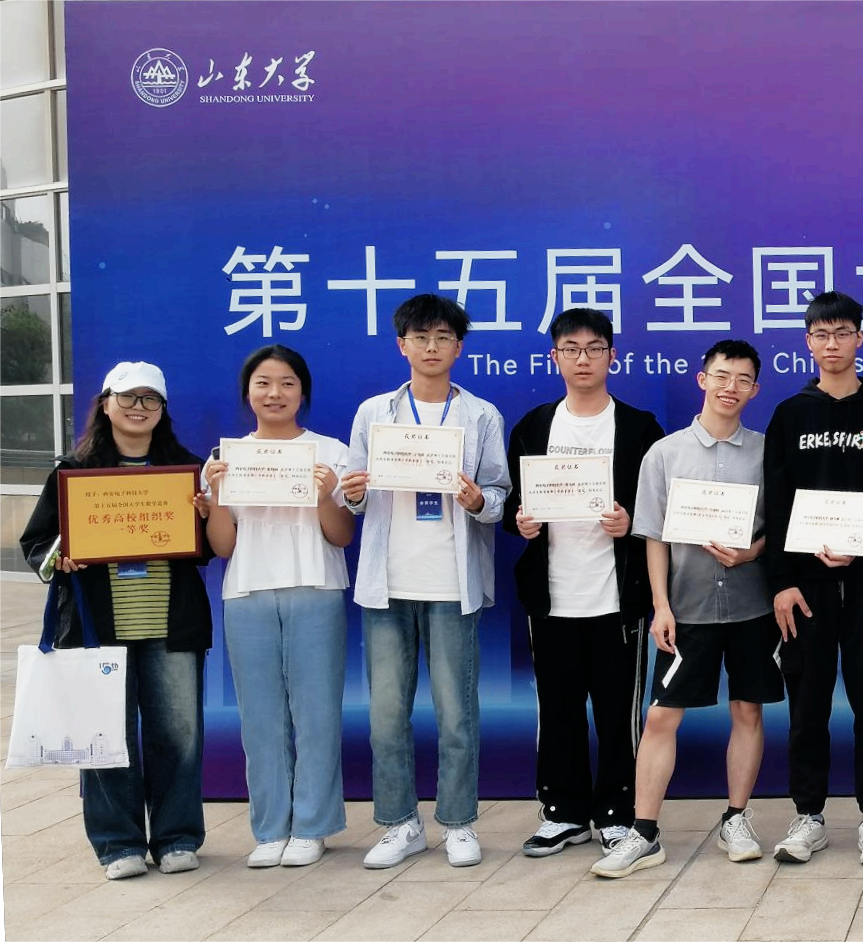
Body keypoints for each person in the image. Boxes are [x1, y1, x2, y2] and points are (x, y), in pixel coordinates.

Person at [20, 362, 213, 880]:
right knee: (105, 736)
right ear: (105, 404)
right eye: (127, 397)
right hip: (96, 630)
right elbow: (38, 544)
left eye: (150, 399)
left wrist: (204, 514)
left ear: (163, 411)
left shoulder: (186, 471)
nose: (137, 408)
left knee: (179, 736)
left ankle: (176, 837)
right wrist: (62, 557)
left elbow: (207, 551)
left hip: (171, 626)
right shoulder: (73, 472)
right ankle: (117, 844)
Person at [593, 340, 778, 878]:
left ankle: (736, 818)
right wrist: (661, 606)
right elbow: (653, 535)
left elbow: (779, 528)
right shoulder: (664, 453)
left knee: (748, 711)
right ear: (703, 379)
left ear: (755, 389)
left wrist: (752, 552)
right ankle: (644, 832)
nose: (730, 387)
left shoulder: (767, 452)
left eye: (743, 379)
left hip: (751, 607)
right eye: (721, 376)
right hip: (687, 609)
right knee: (660, 717)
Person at [342, 294, 511, 869]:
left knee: (456, 713)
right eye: (421, 338)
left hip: (452, 585)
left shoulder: (481, 415)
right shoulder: (374, 413)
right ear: (402, 346)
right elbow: (353, 496)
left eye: (442, 338)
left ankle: (459, 822)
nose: (431, 347)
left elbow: (499, 495)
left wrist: (477, 500)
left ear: (458, 348)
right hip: (388, 584)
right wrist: (354, 493)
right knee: (386, 715)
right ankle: (400, 823)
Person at [504, 308, 666, 858]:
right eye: (570, 349)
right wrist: (522, 522)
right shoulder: (534, 426)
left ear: (611, 357)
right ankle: (564, 813)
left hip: (618, 597)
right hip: (552, 596)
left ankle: (618, 814)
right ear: (554, 357)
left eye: (594, 348)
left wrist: (629, 523)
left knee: (619, 713)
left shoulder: (640, 427)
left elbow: (658, 509)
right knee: (558, 711)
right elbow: (514, 506)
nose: (582, 359)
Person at [761, 292, 863, 866]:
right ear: (808, 342)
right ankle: (809, 816)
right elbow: (777, 504)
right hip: (805, 589)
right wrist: (782, 581)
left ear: (859, 339)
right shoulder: (790, 414)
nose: (832, 344)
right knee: (808, 707)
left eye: (842, 333)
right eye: (821, 335)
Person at [199, 346, 355, 869]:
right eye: (263, 383)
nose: (275, 393)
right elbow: (223, 546)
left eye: (287, 383)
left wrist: (325, 496)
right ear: (248, 392)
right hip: (247, 593)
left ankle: (312, 826)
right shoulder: (223, 460)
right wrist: (218, 496)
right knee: (259, 719)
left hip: (316, 589)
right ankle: (269, 829)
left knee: (316, 715)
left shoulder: (331, 453)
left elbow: (341, 536)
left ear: (302, 392)